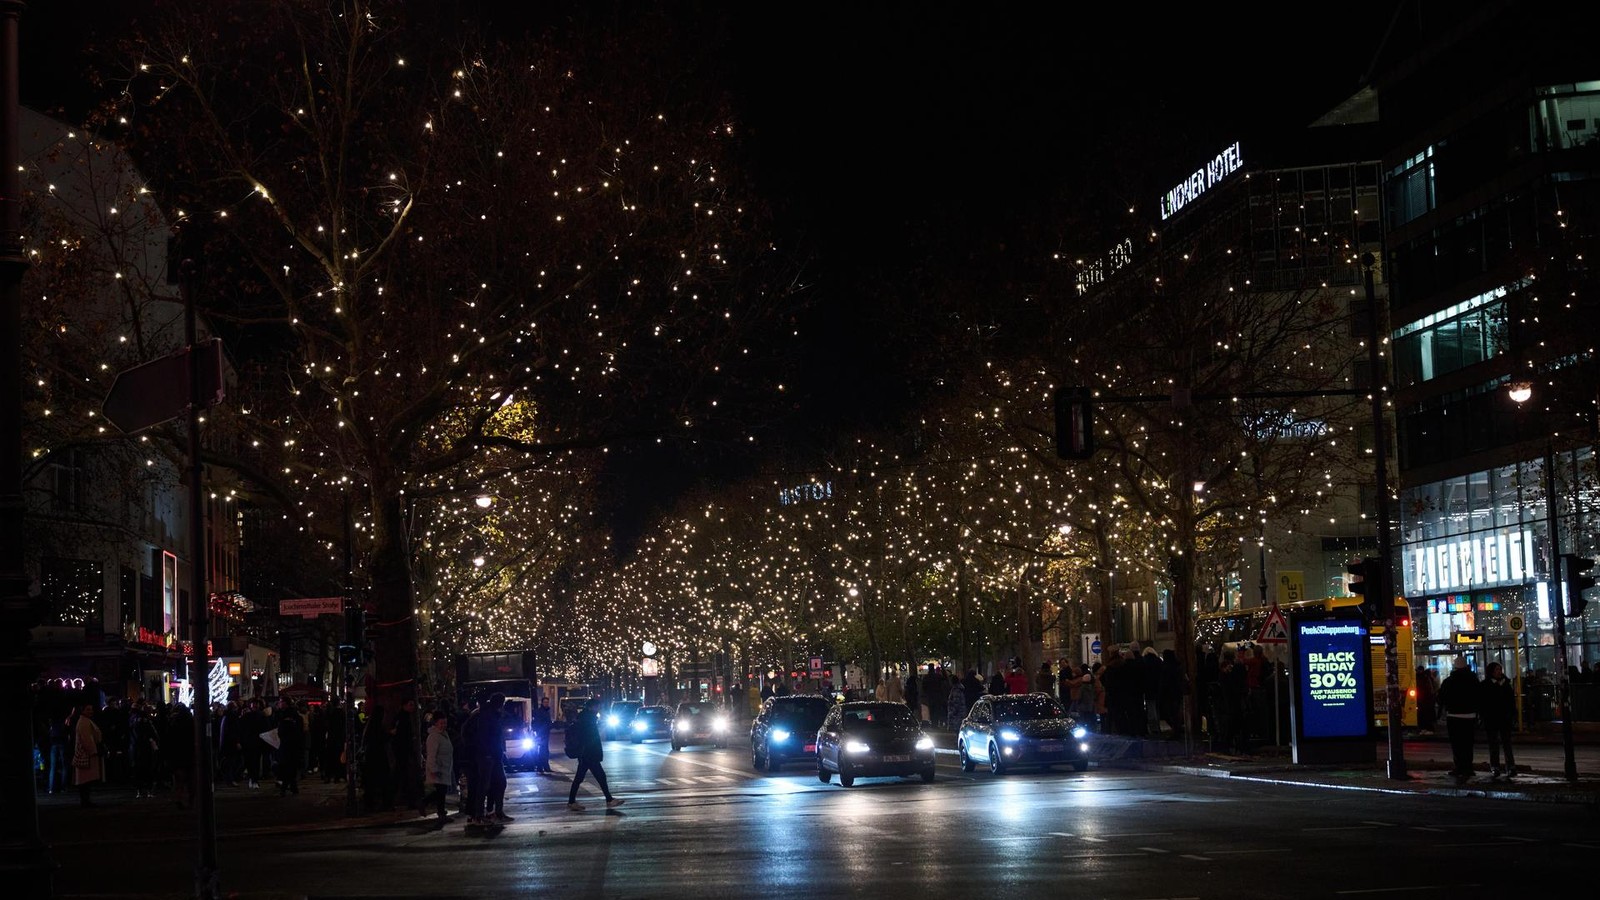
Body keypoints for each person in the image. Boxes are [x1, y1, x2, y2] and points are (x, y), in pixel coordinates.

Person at [565, 704, 623, 812]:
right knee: (599, 777)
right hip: (589, 755)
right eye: (597, 707)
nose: (598, 709)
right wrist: (591, 752)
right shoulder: (588, 721)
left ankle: (572, 801)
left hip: (587, 755)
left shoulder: (586, 719)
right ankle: (609, 800)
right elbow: (589, 739)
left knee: (583, 778)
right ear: (591, 708)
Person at [1437, 654, 1481, 784]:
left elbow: (1441, 698)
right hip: (1470, 715)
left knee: (1457, 744)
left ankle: (1459, 766)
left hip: (1454, 716)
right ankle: (1468, 767)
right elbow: (1479, 696)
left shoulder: (1449, 681)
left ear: (1454, 666)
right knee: (1468, 743)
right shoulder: (1473, 679)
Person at [468, 693, 510, 825]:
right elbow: (486, 737)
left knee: (499, 783)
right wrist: (488, 752)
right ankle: (480, 814)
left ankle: (496, 811)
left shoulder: (491, 714)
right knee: (485, 785)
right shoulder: (487, 715)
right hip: (487, 755)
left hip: (493, 754)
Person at [1480, 661, 1517, 778]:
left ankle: (1510, 767)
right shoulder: (1485, 685)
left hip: (1504, 718)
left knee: (1507, 744)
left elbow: (1511, 701)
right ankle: (1495, 766)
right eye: (1496, 670)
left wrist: (1512, 715)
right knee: (1494, 744)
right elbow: (1482, 703)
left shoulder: (1506, 684)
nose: (1499, 672)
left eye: (1500, 670)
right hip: (1491, 719)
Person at [391, 698, 422, 811]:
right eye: (410, 705)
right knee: (404, 776)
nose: (412, 707)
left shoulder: (404, 717)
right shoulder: (402, 718)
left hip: (403, 751)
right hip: (403, 751)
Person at [422, 712, 454, 820]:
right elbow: (431, 755)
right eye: (441, 723)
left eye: (445, 723)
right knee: (440, 792)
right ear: (435, 723)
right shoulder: (434, 737)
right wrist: (434, 769)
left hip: (444, 767)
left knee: (441, 792)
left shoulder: (444, 734)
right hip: (438, 768)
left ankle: (441, 812)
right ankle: (425, 803)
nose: (443, 725)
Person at [72, 702, 103, 807]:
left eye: (91, 709)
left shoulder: (84, 721)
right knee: (85, 781)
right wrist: (93, 751)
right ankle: (85, 801)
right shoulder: (84, 722)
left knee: (85, 781)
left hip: (85, 753)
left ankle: (85, 800)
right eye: (88, 709)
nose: (91, 711)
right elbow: (87, 739)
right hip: (86, 754)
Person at [165, 702, 195, 809]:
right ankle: (191, 800)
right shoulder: (191, 722)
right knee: (191, 780)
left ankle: (179, 799)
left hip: (177, 755)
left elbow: (168, 741)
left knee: (179, 781)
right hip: (189, 754)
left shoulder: (172, 723)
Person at [129, 702, 160, 799]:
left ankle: (139, 791)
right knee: (148, 769)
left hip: (135, 747)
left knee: (137, 770)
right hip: (145, 747)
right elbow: (153, 733)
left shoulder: (132, 719)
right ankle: (148, 790)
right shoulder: (146, 720)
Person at [276, 699, 305, 795]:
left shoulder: (285, 717)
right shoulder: (296, 717)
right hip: (293, 745)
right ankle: (292, 786)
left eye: (281, 702)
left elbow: (282, 732)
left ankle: (285, 787)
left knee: (287, 766)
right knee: (291, 767)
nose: (280, 704)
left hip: (287, 745)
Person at [530, 698, 554, 774]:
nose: (546, 703)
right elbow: (537, 723)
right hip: (541, 734)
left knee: (544, 751)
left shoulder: (546, 711)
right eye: (545, 702)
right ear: (542, 703)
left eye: (547, 702)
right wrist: (539, 733)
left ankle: (544, 767)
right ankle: (541, 767)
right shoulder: (540, 712)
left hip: (545, 733)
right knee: (542, 751)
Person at [1413, 664, 1438, 732]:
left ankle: (1424, 728)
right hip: (1426, 699)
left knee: (1422, 714)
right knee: (1427, 714)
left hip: (1422, 699)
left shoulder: (1419, 678)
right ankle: (1428, 728)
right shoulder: (1427, 678)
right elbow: (1432, 689)